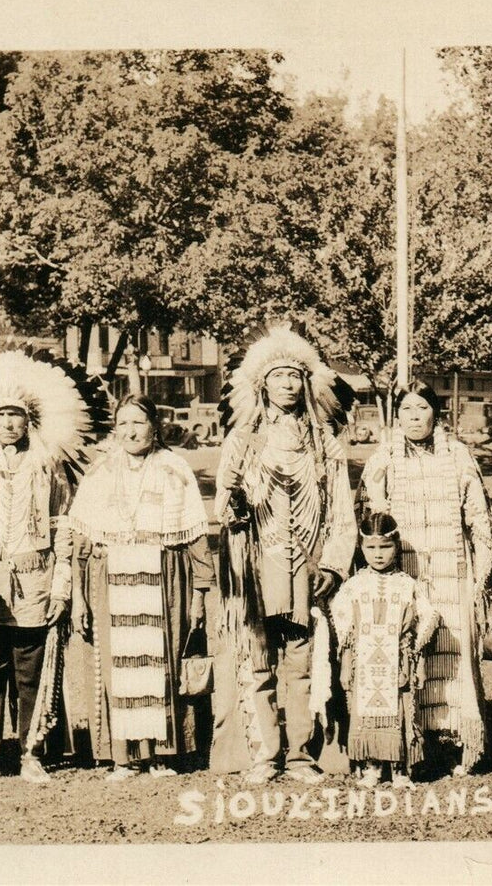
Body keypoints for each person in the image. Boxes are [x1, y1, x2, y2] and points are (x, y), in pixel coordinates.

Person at [0, 348, 108, 787]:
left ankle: (33, 752)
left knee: (31, 670)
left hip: (34, 577)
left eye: (16, 416)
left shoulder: (48, 465)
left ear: (29, 420)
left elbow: (62, 524)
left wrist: (60, 584)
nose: (9, 424)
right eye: (0, 416)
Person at [210, 326, 358, 786]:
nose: (289, 385)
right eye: (280, 377)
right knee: (258, 662)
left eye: (295, 376)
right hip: (257, 566)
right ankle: (264, 754)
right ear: (263, 386)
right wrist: (233, 510)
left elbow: (341, 509)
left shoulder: (323, 444)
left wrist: (333, 564)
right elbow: (223, 501)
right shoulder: (244, 441)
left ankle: (299, 755)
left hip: (307, 567)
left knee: (302, 662)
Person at [66, 395, 213, 780]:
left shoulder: (174, 469)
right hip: (111, 579)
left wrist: (200, 593)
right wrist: (78, 598)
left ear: (154, 426)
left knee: (161, 663)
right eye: (124, 423)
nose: (131, 431)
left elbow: (196, 534)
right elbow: (80, 543)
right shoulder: (100, 472)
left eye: (139, 422)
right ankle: (125, 757)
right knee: (120, 667)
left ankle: (163, 755)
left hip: (164, 575)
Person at [359, 380, 492, 776]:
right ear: (396, 415)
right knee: (407, 654)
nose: (414, 417)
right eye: (406, 410)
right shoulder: (383, 458)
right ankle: (406, 743)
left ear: (436, 413)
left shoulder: (458, 456)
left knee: (454, 656)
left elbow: (479, 519)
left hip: (454, 573)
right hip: (404, 575)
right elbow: (372, 521)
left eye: (422, 408)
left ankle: (458, 745)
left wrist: (481, 575)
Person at [321, 512, 439, 788]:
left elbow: (428, 618)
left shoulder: (407, 584)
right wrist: (347, 661)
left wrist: (418, 659)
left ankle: (400, 769)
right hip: (365, 664)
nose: (378, 554)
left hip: (399, 662)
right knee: (366, 712)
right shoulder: (354, 586)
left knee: (401, 712)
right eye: (370, 548)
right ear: (361, 549)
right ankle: (372, 766)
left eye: (385, 546)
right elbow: (342, 626)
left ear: (396, 546)